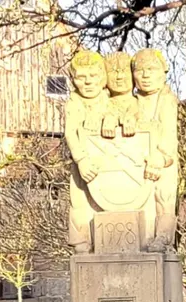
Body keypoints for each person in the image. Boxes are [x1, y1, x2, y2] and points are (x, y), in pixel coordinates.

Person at [132, 48, 179, 249]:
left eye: (151, 69)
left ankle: (163, 237)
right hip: (137, 163)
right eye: (140, 70)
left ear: (163, 72)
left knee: (163, 200)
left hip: (162, 163)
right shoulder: (131, 101)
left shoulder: (166, 98)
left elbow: (169, 133)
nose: (145, 75)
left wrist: (161, 157)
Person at [64, 50, 109, 251]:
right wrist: (81, 159)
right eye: (81, 77)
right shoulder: (74, 101)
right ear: (73, 80)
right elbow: (70, 132)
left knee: (105, 202)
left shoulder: (109, 99)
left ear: (102, 77)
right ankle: (81, 240)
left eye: (93, 76)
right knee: (80, 201)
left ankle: (107, 238)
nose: (88, 82)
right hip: (83, 163)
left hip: (106, 164)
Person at [101, 52, 137, 139]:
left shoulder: (140, 104)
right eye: (112, 72)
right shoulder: (101, 105)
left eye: (124, 71)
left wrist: (133, 117)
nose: (119, 77)